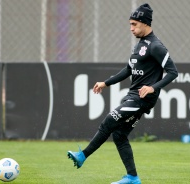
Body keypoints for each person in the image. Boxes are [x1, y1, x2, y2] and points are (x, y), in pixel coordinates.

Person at [67, 3, 178, 184]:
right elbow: (128, 70)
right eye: (130, 24)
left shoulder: (156, 46)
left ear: (145, 23)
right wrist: (105, 83)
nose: (131, 28)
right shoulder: (140, 45)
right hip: (133, 96)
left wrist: (152, 87)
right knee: (119, 135)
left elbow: (173, 72)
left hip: (143, 98)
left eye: (134, 24)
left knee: (109, 120)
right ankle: (133, 178)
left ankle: (82, 156)